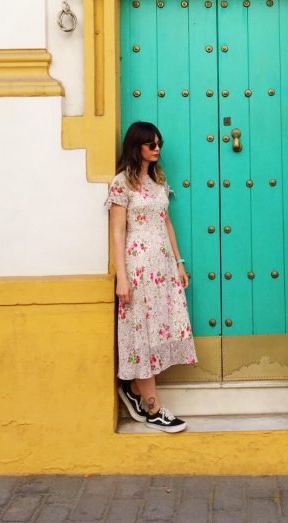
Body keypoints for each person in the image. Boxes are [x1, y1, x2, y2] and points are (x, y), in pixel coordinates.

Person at [105, 121, 197, 432]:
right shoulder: (121, 184)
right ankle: (153, 408)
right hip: (138, 269)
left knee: (158, 331)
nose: (157, 149)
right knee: (142, 333)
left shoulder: (158, 181)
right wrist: (122, 277)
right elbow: (118, 232)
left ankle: (133, 390)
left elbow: (166, 223)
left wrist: (179, 262)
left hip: (163, 269)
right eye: (151, 144)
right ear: (136, 147)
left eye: (159, 144)